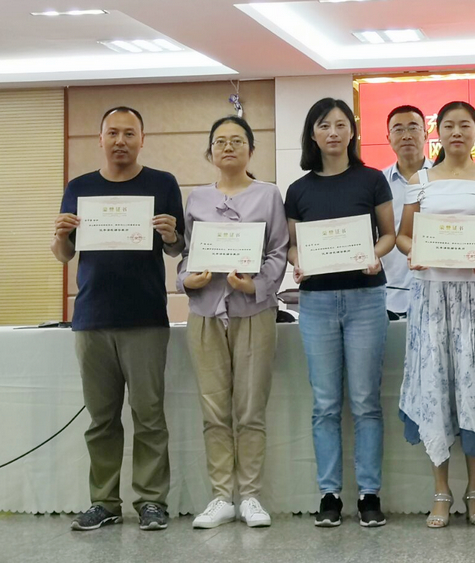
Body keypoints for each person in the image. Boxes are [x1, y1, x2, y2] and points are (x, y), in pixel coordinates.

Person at [52, 106, 184, 531]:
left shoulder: (162, 183)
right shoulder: (80, 187)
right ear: (101, 139)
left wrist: (171, 235)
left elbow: (177, 248)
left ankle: (151, 501)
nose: (121, 141)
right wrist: (60, 235)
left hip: (145, 317)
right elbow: (64, 254)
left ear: (142, 139)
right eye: (113, 133)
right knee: (101, 419)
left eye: (129, 133)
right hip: (92, 317)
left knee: (149, 416)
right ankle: (104, 501)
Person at [395, 101, 475, 528]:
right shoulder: (420, 181)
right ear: (438, 133)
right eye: (448, 125)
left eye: (465, 125)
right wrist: (416, 253)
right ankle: (441, 492)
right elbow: (404, 236)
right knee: (436, 389)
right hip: (432, 298)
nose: (456, 133)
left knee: (473, 389)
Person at [284, 98, 396, 528]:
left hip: (366, 298)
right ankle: (329, 494)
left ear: (353, 131)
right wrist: (299, 261)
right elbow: (293, 245)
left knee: (366, 401)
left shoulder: (372, 179)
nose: (333, 132)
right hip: (316, 301)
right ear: (312, 135)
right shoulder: (299, 190)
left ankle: (369, 494)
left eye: (341, 124)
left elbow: (388, 235)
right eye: (324, 125)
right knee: (326, 403)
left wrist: (374, 255)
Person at [177, 116, 288, 529]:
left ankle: (251, 496)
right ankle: (221, 496)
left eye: (237, 141)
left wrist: (255, 285)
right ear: (210, 151)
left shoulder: (268, 194)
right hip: (206, 312)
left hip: (253, 311)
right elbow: (187, 254)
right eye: (220, 141)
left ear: (251, 150)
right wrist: (185, 280)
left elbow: (278, 251)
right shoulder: (197, 198)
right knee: (213, 409)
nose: (228, 147)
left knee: (250, 408)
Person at [380, 105, 431, 318]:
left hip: (437, 291)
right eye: (398, 129)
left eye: (413, 127)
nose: (406, 135)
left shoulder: (443, 180)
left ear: (426, 134)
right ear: (388, 138)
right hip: (389, 296)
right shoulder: (377, 184)